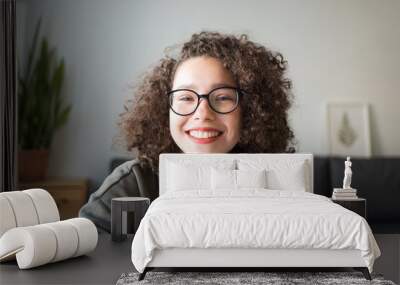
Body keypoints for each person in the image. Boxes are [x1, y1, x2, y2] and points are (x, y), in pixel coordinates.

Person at [79, 31, 295, 232]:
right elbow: (86, 248)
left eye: (222, 97)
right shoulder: (135, 184)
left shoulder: (276, 182)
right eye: (186, 97)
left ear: (250, 111)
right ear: (164, 109)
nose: (203, 113)